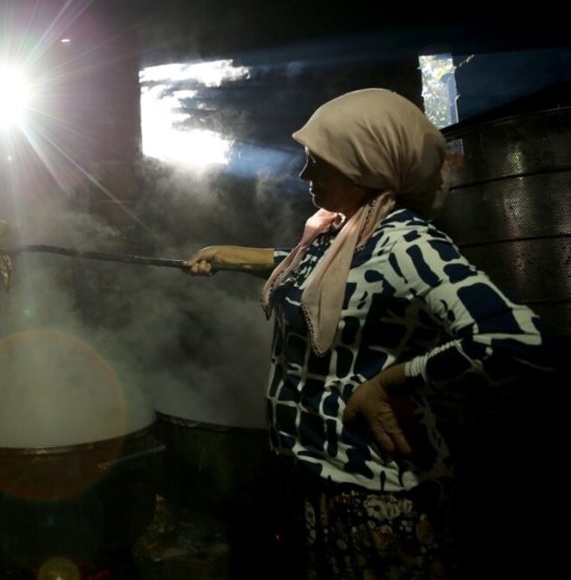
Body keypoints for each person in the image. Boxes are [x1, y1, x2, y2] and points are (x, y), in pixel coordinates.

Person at [184, 88, 551, 579]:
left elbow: (517, 340)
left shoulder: (409, 243)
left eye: (319, 162)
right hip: (314, 480)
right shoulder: (341, 231)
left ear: (366, 165)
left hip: (375, 495)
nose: (304, 174)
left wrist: (392, 381)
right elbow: (319, 277)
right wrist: (235, 256)